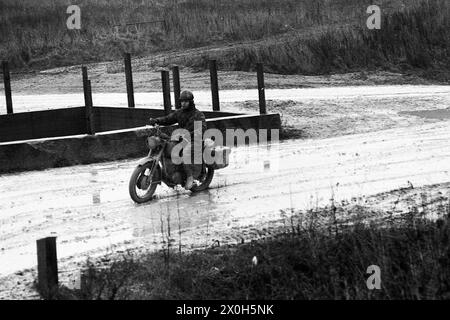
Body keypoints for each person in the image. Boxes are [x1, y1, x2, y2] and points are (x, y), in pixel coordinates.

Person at [148, 90, 206, 190]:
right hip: (182, 140)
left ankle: (190, 177)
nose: (183, 103)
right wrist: (156, 120)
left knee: (185, 153)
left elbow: (200, 130)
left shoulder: (197, 115)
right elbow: (168, 119)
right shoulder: (179, 113)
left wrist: (187, 135)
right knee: (167, 147)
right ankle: (171, 174)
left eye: (185, 101)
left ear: (190, 102)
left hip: (195, 140)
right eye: (182, 101)